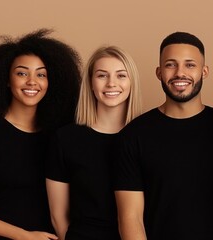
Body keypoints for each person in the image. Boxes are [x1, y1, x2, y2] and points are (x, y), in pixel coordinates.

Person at [0, 29, 81, 240]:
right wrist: (23, 236)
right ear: (7, 80)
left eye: (41, 74)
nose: (32, 81)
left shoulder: (61, 134)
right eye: (21, 73)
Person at [113, 32, 213, 239]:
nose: (180, 73)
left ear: (205, 71)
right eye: (170, 65)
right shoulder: (134, 135)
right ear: (159, 72)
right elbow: (130, 217)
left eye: (190, 65)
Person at [46, 46, 143, 240]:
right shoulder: (66, 139)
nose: (111, 83)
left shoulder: (146, 136)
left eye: (121, 75)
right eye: (102, 75)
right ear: (90, 82)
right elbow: (58, 216)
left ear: (132, 82)